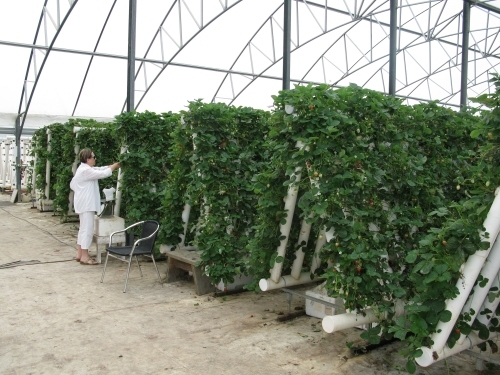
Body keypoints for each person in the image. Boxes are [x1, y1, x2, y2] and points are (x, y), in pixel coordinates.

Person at [70, 148, 121, 265]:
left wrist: (112, 165)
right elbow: (103, 173)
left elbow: (100, 169)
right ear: (88, 159)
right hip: (86, 205)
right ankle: (85, 256)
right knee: (87, 230)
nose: (95, 159)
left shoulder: (84, 168)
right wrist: (114, 166)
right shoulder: (86, 171)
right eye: (93, 157)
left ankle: (80, 254)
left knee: (83, 229)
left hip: (83, 204)